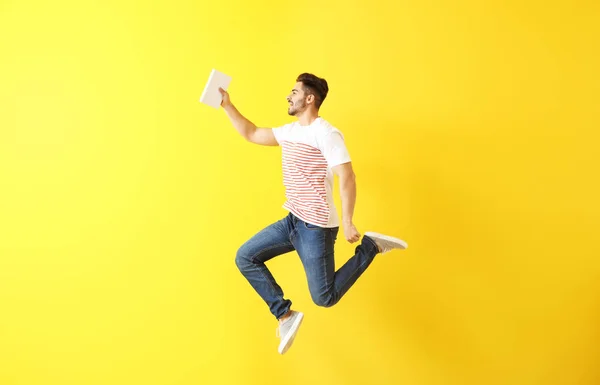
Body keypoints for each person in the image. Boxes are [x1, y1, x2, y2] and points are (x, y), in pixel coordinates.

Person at [218, 73, 407, 354]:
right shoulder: (290, 132)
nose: (288, 96)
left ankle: (370, 247)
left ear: (309, 98)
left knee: (324, 297)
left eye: (294, 92)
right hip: (292, 220)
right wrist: (227, 105)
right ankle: (285, 315)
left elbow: (347, 176)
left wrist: (347, 221)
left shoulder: (326, 133)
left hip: (317, 227)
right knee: (245, 256)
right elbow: (252, 133)